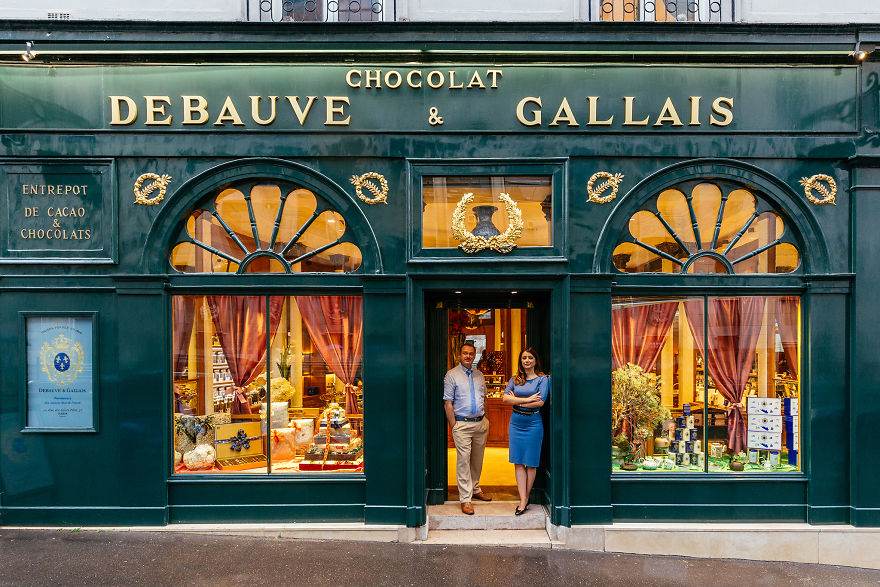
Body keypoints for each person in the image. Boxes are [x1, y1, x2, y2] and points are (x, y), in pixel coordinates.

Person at [444, 341, 492, 515]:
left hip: (480, 423)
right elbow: (448, 402)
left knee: (477, 460)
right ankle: (465, 499)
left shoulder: (480, 375)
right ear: (460, 355)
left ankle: (475, 488)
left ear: (475, 355)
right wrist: (454, 425)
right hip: (461, 424)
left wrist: (487, 419)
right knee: (463, 461)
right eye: (465, 353)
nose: (468, 356)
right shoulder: (452, 375)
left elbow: (485, 398)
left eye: (471, 353)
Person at [503, 347, 550, 515]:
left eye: (530, 357)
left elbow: (540, 402)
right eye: (524, 358)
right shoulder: (515, 379)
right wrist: (526, 399)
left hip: (533, 423)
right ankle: (523, 498)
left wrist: (518, 402)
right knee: (518, 461)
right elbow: (504, 397)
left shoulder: (543, 380)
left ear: (535, 360)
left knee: (531, 463)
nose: (527, 360)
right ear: (520, 361)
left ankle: (524, 498)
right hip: (516, 423)